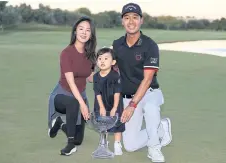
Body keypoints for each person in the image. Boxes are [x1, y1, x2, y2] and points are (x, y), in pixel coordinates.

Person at [111, 3, 172, 162]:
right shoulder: (117, 44)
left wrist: (132, 105)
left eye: (135, 17)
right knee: (130, 145)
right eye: (127, 18)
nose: (131, 21)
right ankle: (161, 128)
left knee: (151, 108)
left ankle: (154, 148)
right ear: (122, 21)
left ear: (141, 20)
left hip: (150, 93)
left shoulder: (150, 45)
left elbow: (148, 79)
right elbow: (113, 70)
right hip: (127, 97)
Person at [47, 16, 96, 156]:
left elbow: (90, 78)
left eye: (88, 30)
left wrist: (104, 70)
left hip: (80, 95)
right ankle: (69, 145)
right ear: (75, 31)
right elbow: (71, 82)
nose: (84, 32)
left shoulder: (91, 55)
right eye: (81, 29)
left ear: (91, 34)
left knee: (78, 139)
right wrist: (83, 104)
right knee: (75, 103)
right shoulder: (66, 53)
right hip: (61, 95)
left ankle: (59, 124)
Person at [93, 47, 125, 156]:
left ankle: (117, 143)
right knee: (102, 122)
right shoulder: (96, 77)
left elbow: (117, 93)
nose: (102, 61)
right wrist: (101, 107)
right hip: (101, 102)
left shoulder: (115, 76)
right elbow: (97, 93)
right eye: (100, 58)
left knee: (117, 123)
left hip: (114, 102)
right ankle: (104, 142)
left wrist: (115, 108)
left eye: (106, 58)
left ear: (113, 62)